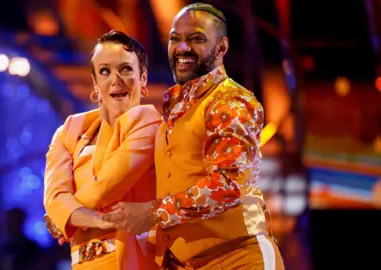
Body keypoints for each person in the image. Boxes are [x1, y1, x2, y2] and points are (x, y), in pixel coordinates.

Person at [103, 3, 285, 269]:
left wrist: (154, 212)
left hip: (238, 258)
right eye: (174, 38)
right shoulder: (173, 113)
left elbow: (228, 184)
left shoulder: (229, 101)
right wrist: (76, 217)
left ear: (221, 48)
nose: (182, 48)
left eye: (196, 38)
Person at [43, 30, 160, 269]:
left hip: (133, 260)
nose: (116, 79)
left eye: (126, 69)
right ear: (95, 83)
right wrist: (103, 221)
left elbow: (106, 186)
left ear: (143, 79)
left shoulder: (148, 120)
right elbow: (54, 198)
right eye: (105, 71)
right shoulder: (69, 130)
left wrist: (67, 216)